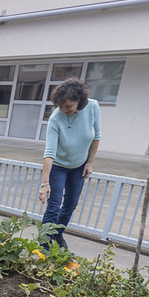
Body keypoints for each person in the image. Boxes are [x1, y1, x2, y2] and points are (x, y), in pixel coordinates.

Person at [37, 78, 100, 250]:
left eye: (69, 107)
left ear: (80, 102)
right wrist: (45, 183)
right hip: (58, 166)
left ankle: (57, 233)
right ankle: (44, 245)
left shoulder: (93, 107)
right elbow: (49, 153)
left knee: (71, 203)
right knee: (54, 206)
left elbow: (96, 136)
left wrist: (90, 162)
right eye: (61, 106)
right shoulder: (56, 119)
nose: (64, 110)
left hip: (79, 166)